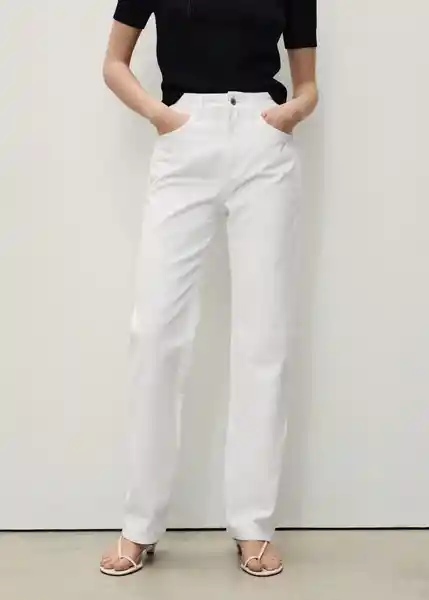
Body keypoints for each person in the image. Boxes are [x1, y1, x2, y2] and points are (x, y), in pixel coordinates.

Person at [100, 0, 318, 578]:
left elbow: (307, 84)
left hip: (263, 142)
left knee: (263, 337)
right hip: (184, 138)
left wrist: (290, 114)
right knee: (154, 333)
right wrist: (161, 115)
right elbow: (114, 63)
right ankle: (140, 522)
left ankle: (253, 525)